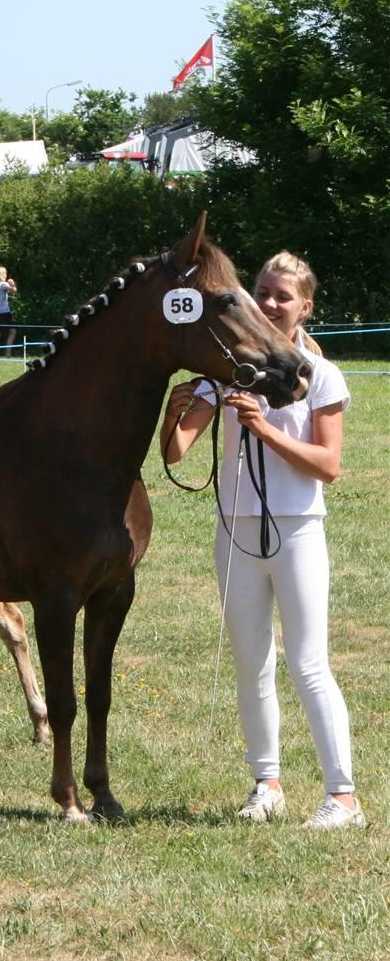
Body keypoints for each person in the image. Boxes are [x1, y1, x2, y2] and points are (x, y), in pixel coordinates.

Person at [159, 251, 365, 830]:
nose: (271, 303)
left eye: (283, 296)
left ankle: (343, 797)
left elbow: (327, 465)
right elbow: (176, 453)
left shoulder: (320, 375)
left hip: (298, 530)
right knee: (251, 664)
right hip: (235, 534)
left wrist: (262, 428)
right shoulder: (225, 371)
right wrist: (173, 411)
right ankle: (266, 784)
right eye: (264, 293)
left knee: (307, 664)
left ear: (305, 306)